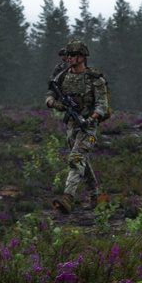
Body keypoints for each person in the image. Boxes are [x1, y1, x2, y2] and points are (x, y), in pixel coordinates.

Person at [45, 40, 109, 213]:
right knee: (82, 161)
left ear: (82, 57)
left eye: (72, 55)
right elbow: (50, 93)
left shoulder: (94, 79)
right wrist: (53, 103)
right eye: (67, 55)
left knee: (75, 158)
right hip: (71, 125)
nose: (69, 58)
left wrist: (91, 119)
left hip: (88, 126)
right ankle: (96, 196)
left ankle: (67, 198)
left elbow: (102, 105)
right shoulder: (63, 76)